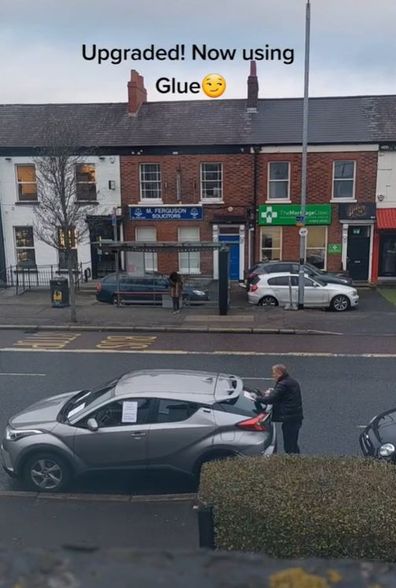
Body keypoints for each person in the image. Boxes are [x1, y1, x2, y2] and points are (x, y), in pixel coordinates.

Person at [258, 364, 303, 454]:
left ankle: (293, 462)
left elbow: (271, 399)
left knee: (289, 445)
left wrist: (257, 398)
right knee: (293, 443)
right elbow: (281, 394)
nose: (273, 375)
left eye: (274, 373)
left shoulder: (283, 384)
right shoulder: (290, 381)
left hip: (290, 419)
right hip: (295, 417)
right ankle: (297, 460)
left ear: (279, 373)